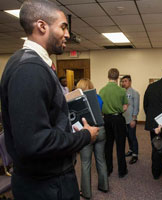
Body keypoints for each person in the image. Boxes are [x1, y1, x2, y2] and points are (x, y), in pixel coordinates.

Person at [0, 1, 99, 199]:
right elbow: (35, 142)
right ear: (42, 26)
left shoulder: (32, 64)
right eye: (63, 26)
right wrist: (85, 136)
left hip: (47, 180)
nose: (68, 34)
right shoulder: (30, 69)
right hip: (45, 186)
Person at [76, 78, 109, 199]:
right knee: (101, 159)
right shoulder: (98, 97)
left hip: (87, 132)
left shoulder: (77, 101)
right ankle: (104, 186)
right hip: (100, 130)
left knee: (85, 163)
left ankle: (86, 192)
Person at [99, 68, 129, 178]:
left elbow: (100, 107)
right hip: (118, 119)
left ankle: (108, 169)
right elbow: (125, 107)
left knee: (108, 145)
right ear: (118, 77)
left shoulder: (102, 90)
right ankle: (122, 170)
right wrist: (119, 109)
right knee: (120, 145)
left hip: (106, 120)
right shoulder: (121, 91)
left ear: (108, 76)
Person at [121, 75, 140, 165]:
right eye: (123, 81)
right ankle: (131, 150)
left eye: (125, 81)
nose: (124, 83)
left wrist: (134, 119)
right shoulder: (122, 92)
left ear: (130, 82)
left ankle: (135, 155)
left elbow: (136, 107)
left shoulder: (134, 93)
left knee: (132, 137)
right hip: (123, 119)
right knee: (128, 136)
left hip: (131, 119)